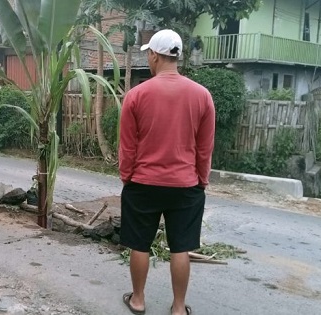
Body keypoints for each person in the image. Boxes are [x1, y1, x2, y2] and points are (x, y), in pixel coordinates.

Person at [119, 29, 215, 315]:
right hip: (186, 185)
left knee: (140, 244)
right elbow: (204, 147)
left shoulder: (136, 95)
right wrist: (201, 180)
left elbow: (127, 147)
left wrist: (128, 178)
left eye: (148, 54)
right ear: (177, 56)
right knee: (180, 247)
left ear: (153, 55)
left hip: (143, 183)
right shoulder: (202, 96)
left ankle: (137, 300)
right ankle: (178, 307)